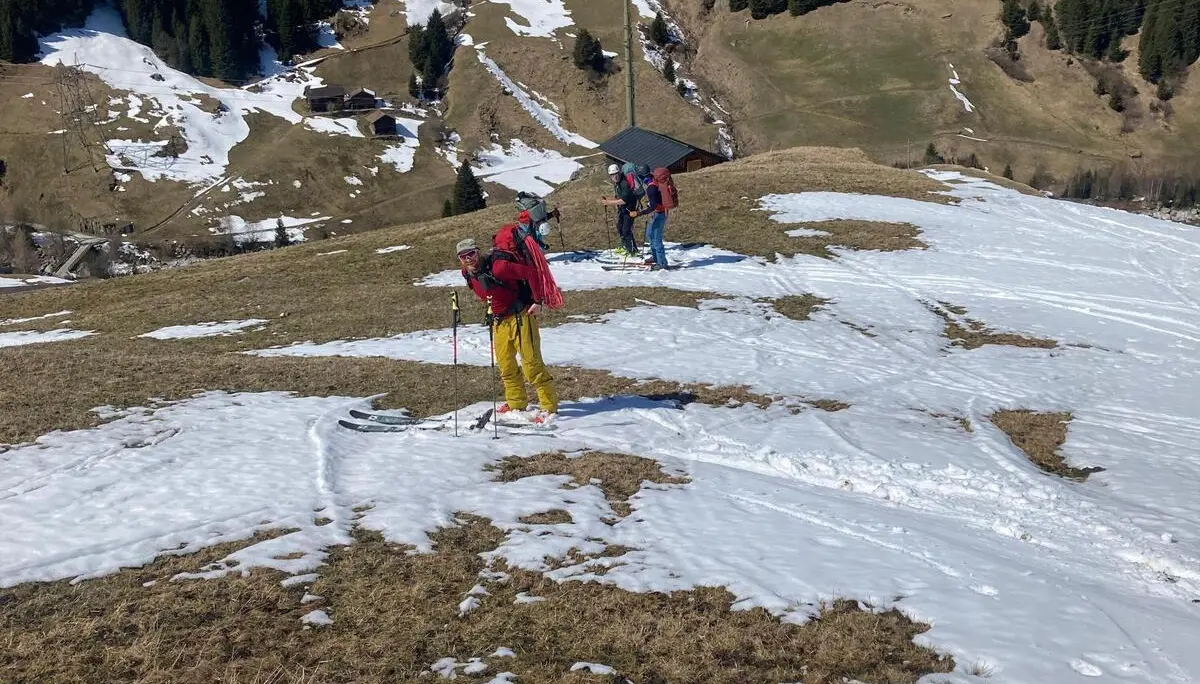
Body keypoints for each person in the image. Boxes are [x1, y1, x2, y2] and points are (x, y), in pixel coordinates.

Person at [456, 235, 558, 424]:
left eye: (471, 253)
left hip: (521, 316)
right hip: (498, 321)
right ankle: (516, 402)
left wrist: (537, 301)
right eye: (463, 256)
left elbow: (532, 273)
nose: (468, 258)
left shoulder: (499, 267)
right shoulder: (467, 273)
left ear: (478, 252)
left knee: (531, 363)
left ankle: (548, 407)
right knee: (506, 365)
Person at [630, 164, 669, 270]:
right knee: (650, 235)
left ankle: (662, 263)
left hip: (659, 214)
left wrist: (638, 213)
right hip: (657, 213)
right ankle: (655, 257)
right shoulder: (653, 181)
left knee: (656, 239)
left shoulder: (651, 188)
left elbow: (653, 206)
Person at [599, 163, 640, 257]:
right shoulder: (618, 183)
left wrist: (609, 202)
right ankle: (627, 247)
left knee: (626, 230)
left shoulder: (624, 183)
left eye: (616, 174)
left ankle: (632, 251)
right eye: (612, 175)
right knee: (620, 227)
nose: (615, 176)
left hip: (630, 210)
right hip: (624, 210)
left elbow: (624, 200)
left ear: (619, 173)